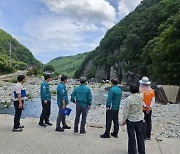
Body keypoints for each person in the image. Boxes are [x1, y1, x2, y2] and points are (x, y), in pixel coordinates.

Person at [122, 83, 145, 154]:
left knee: (131, 137)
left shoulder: (128, 99)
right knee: (140, 135)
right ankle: (142, 151)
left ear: (130, 90)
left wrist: (124, 120)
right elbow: (141, 91)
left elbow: (126, 111)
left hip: (131, 120)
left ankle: (132, 152)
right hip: (139, 118)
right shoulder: (141, 96)